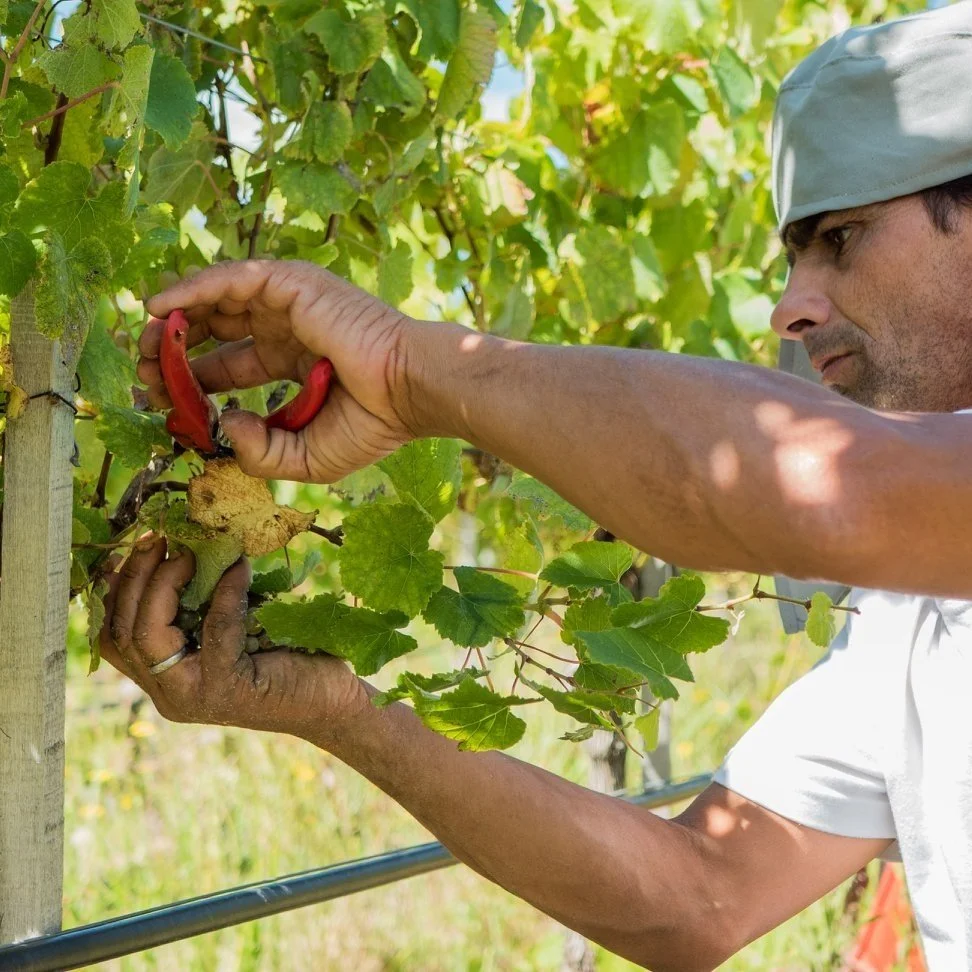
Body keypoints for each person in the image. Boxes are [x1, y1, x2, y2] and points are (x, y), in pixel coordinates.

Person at [98, 5, 972, 969]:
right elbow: (699, 894)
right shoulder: (912, 610)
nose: (792, 307)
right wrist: (341, 714)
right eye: (794, 254)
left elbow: (793, 486)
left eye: (842, 237)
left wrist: (407, 369)